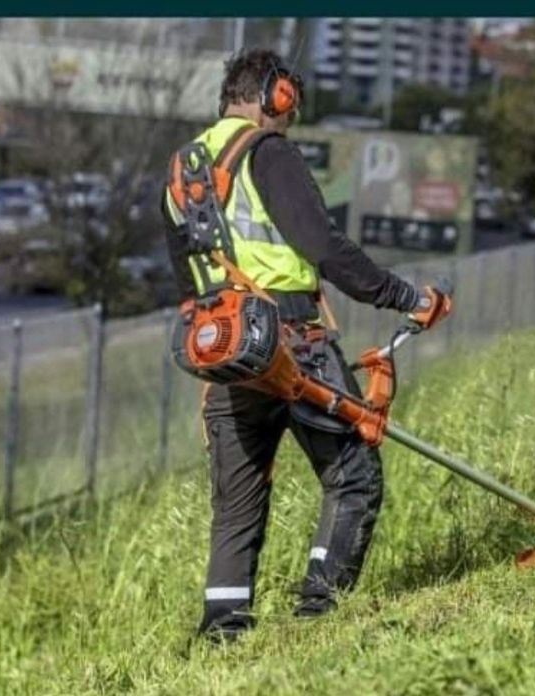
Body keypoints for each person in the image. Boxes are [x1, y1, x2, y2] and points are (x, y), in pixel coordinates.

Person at [161, 48, 450, 642]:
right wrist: (405, 297)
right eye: (289, 103)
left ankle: (223, 635)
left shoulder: (182, 170)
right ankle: (318, 616)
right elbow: (324, 247)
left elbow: (186, 275)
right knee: (354, 476)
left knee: (237, 505)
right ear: (274, 95)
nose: (290, 117)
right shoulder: (268, 152)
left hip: (226, 350)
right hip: (293, 343)